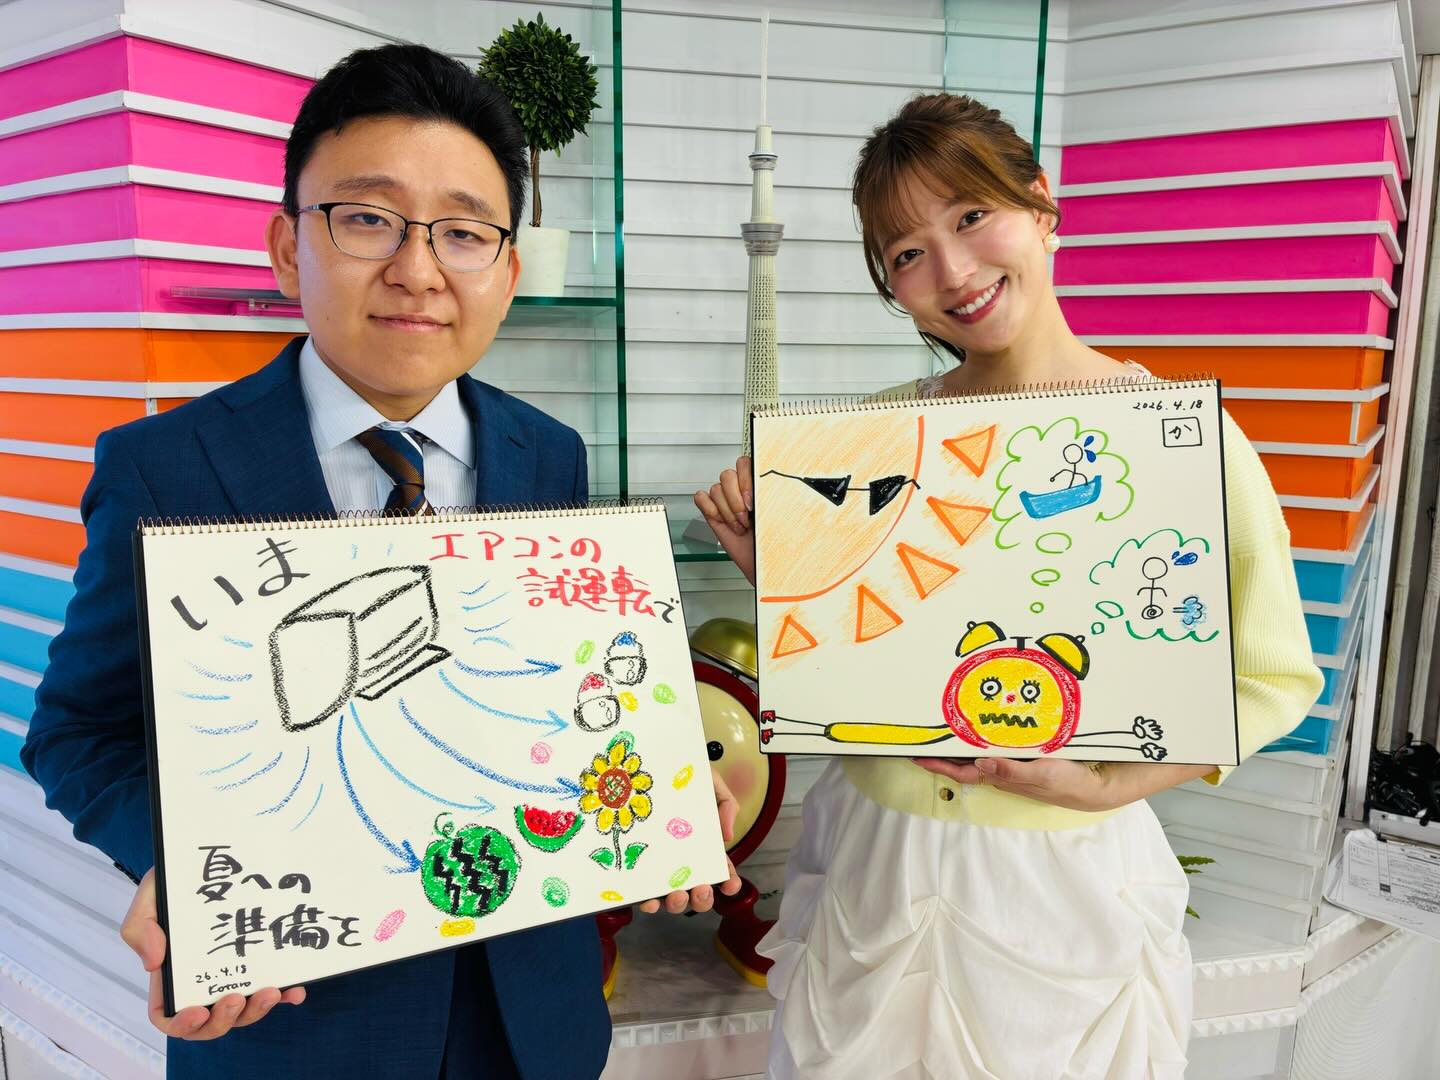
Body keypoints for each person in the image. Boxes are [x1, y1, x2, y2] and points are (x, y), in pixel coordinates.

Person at [23, 43, 735, 1080]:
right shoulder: (166, 467)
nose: (417, 269)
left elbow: (554, 688)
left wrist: (659, 779)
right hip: (300, 1029)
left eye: (464, 231)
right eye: (368, 219)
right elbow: (79, 733)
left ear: (507, 272)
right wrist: (181, 862)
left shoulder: (548, 453)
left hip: (531, 1022)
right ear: (288, 247)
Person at [695, 93, 1323, 1080]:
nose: (952, 271)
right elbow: (861, 663)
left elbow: (1273, 678)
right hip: (872, 863)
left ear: (1040, 202)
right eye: (907, 252)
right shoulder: (868, 438)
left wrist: (1105, 785)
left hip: (1061, 879)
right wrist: (776, 582)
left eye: (972, 215)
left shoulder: (1176, 434)